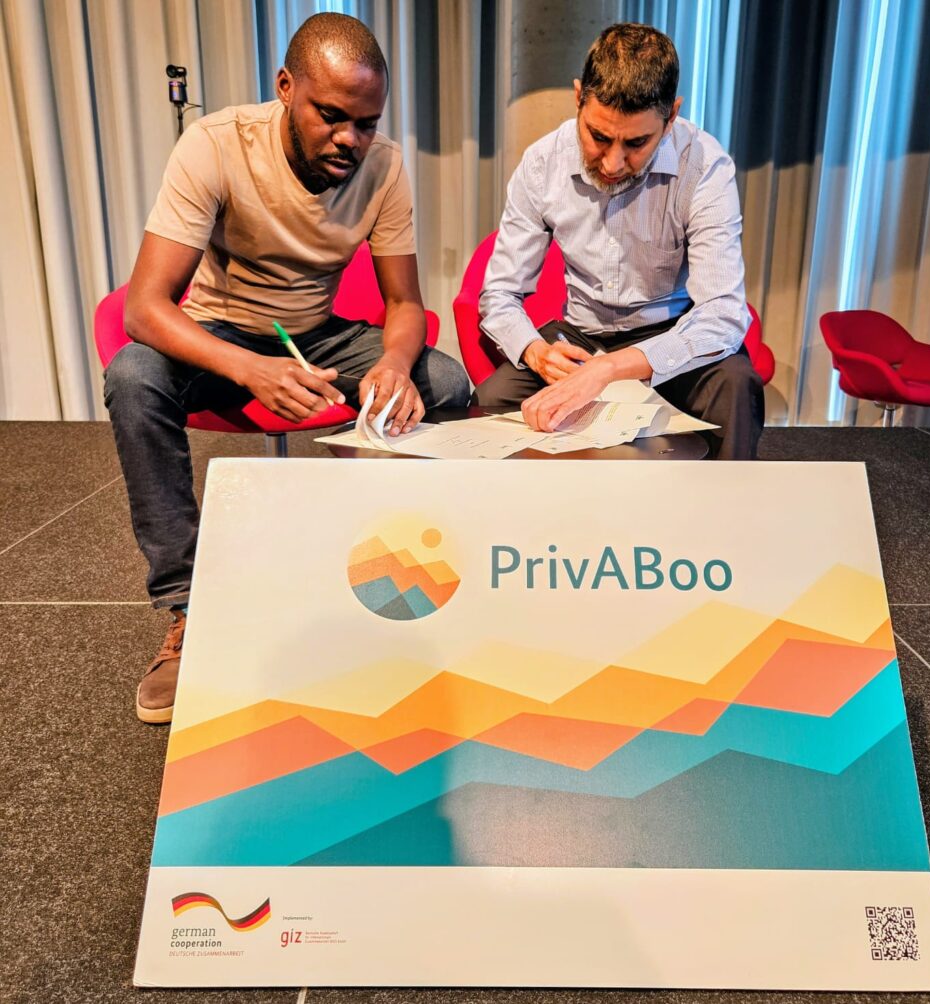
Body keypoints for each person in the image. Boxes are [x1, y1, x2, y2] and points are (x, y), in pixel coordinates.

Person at [104, 13, 470, 724]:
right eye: (331, 116)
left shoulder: (384, 166)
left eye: (365, 122)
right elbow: (145, 309)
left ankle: (393, 579)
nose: (350, 140)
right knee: (133, 376)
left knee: (446, 382)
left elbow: (404, 303)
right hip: (221, 331)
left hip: (320, 336)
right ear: (285, 88)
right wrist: (250, 369)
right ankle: (189, 611)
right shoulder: (214, 146)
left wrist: (396, 363)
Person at [474, 22, 764, 460]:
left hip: (668, 330)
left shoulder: (704, 166)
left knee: (736, 386)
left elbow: (722, 314)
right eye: (598, 136)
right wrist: (535, 352)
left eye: (636, 143)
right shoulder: (541, 164)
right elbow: (498, 294)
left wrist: (611, 369)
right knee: (491, 402)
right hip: (578, 336)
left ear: (670, 118)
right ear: (578, 98)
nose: (612, 162)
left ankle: (720, 522)